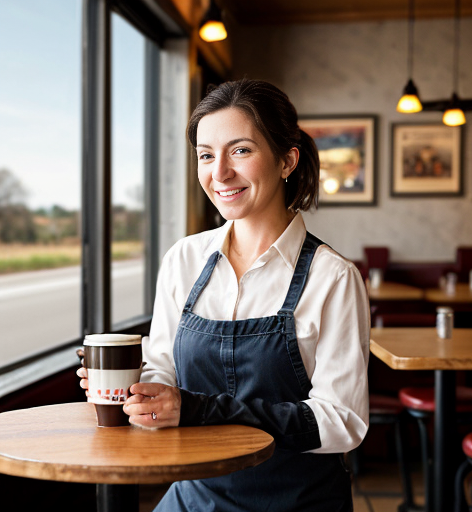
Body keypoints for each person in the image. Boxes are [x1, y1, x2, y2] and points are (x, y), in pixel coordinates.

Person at [77, 78, 370, 511]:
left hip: (297, 501)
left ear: (287, 160)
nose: (220, 174)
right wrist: (137, 397)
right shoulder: (184, 259)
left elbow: (341, 422)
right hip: (196, 497)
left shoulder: (334, 278)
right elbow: (162, 369)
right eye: (206, 156)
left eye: (241, 150)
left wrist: (200, 410)